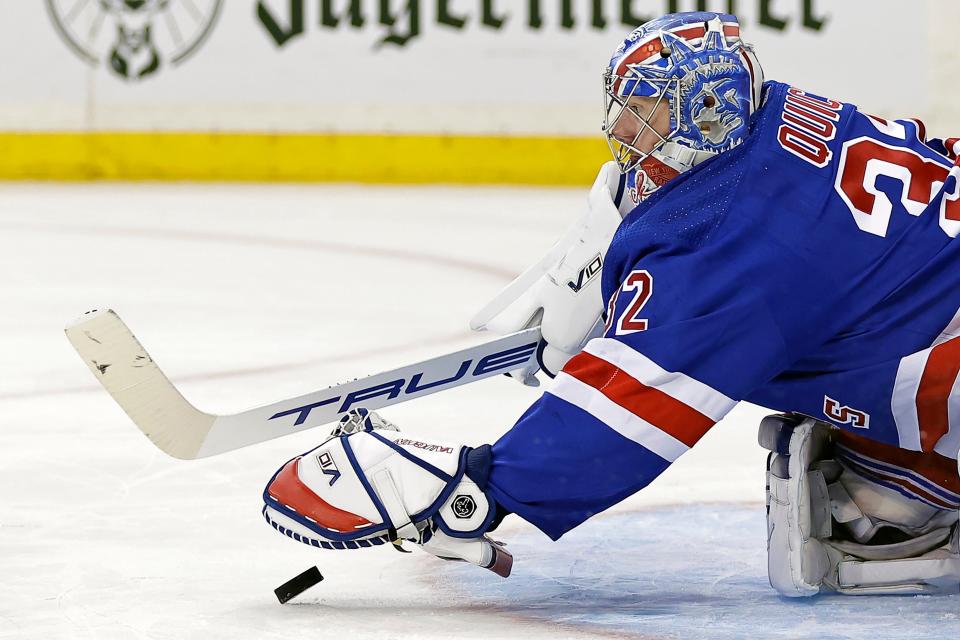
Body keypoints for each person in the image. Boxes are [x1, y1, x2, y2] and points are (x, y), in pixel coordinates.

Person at [260, 12, 960, 596]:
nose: (623, 130)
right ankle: (910, 478)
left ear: (706, 111)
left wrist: (478, 489)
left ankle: (922, 480)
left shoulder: (744, 249)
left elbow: (637, 404)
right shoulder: (787, 114)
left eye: (645, 111)